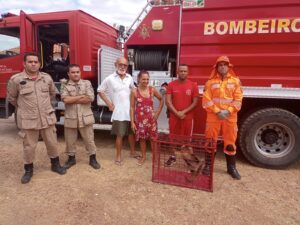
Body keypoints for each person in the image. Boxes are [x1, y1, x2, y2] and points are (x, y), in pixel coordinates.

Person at [7, 52, 66, 184]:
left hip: (47, 117)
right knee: (29, 146)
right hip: (29, 119)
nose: (33, 64)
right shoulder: (16, 80)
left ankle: (55, 164)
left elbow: (52, 94)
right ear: (24, 63)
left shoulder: (47, 78)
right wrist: (25, 108)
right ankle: (28, 170)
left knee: (52, 143)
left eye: (36, 62)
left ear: (39, 64)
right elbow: (12, 98)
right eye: (30, 62)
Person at [202, 56, 243, 180]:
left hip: (230, 117)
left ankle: (231, 168)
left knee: (230, 143)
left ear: (229, 67)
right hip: (213, 116)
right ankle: (208, 166)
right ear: (217, 67)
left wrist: (228, 111)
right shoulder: (209, 82)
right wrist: (217, 111)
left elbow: (238, 100)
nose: (223, 67)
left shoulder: (236, 81)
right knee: (210, 141)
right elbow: (206, 100)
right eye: (220, 65)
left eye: (225, 64)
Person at [61, 64, 100, 170]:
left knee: (89, 139)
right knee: (70, 140)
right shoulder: (64, 84)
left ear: (80, 73)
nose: (75, 74)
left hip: (85, 117)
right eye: (73, 72)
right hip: (71, 117)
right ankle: (71, 159)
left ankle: (93, 159)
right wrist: (81, 97)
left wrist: (72, 98)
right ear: (68, 74)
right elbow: (65, 100)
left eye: (77, 72)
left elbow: (90, 98)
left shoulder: (87, 83)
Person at [98, 57, 136, 165]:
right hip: (119, 113)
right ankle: (118, 157)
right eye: (120, 64)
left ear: (127, 66)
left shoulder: (129, 77)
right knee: (120, 135)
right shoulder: (110, 78)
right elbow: (100, 91)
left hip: (130, 112)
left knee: (131, 134)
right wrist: (109, 104)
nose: (123, 67)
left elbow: (133, 90)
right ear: (116, 65)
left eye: (125, 65)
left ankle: (132, 153)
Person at [165, 64, 199, 166]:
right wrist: (176, 113)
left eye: (185, 71)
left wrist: (183, 112)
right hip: (174, 118)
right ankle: (173, 157)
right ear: (177, 72)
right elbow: (168, 101)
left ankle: (190, 161)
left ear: (188, 72)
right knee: (173, 138)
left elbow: (195, 102)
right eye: (181, 71)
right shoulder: (171, 85)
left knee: (187, 140)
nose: (183, 73)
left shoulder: (193, 85)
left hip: (187, 118)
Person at [130, 70, 164, 165]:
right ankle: (143, 157)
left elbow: (161, 99)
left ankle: (155, 158)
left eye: (147, 79)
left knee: (153, 139)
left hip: (151, 120)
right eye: (143, 79)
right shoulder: (134, 91)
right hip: (140, 121)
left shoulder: (152, 89)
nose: (146, 81)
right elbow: (132, 107)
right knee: (142, 139)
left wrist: (157, 112)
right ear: (139, 79)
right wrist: (132, 122)